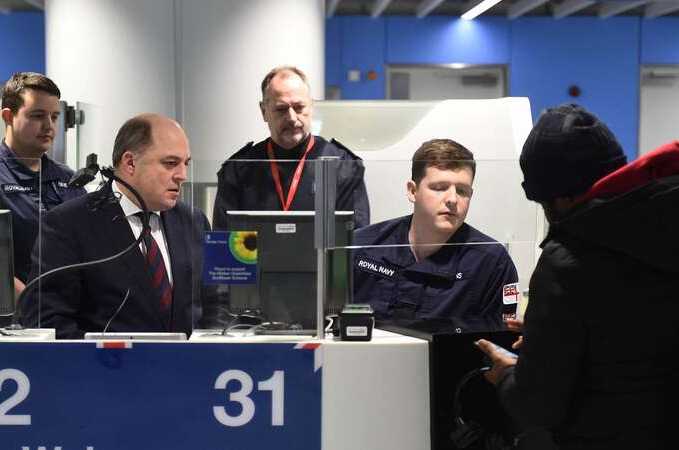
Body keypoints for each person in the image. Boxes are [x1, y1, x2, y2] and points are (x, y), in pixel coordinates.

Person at [477, 104, 679, 450]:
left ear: (561, 197)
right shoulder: (664, 221)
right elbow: (638, 329)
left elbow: (538, 406)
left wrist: (507, 373)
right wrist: (553, 335)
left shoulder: (568, 258)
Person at [20, 113, 223, 339]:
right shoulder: (67, 224)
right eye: (170, 163)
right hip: (107, 369)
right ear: (130, 163)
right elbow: (48, 321)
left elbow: (216, 305)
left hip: (189, 369)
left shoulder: (194, 221)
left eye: (185, 164)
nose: (182, 176)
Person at [353, 139, 518, 330]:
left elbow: (498, 345)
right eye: (439, 188)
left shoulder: (491, 263)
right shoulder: (361, 246)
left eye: (462, 191)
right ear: (413, 191)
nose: (452, 199)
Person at [0, 72, 85, 298]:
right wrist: (34, 306)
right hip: (17, 321)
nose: (49, 126)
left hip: (71, 315)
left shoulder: (69, 179)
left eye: (54, 117)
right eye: (37, 116)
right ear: (8, 116)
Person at [213, 65, 370, 230]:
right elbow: (224, 243)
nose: (292, 118)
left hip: (322, 256)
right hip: (257, 256)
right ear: (264, 111)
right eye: (281, 109)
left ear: (311, 106)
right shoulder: (239, 169)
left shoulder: (343, 165)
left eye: (299, 107)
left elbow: (357, 240)